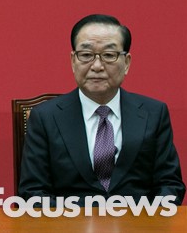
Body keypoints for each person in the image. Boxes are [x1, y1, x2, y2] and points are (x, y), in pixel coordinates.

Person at [18, 14, 185, 204]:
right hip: (69, 220)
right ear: (73, 61)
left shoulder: (154, 113)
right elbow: (33, 192)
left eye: (109, 55)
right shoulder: (45, 117)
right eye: (86, 55)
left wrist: (146, 219)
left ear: (126, 63)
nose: (97, 66)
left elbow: (169, 184)